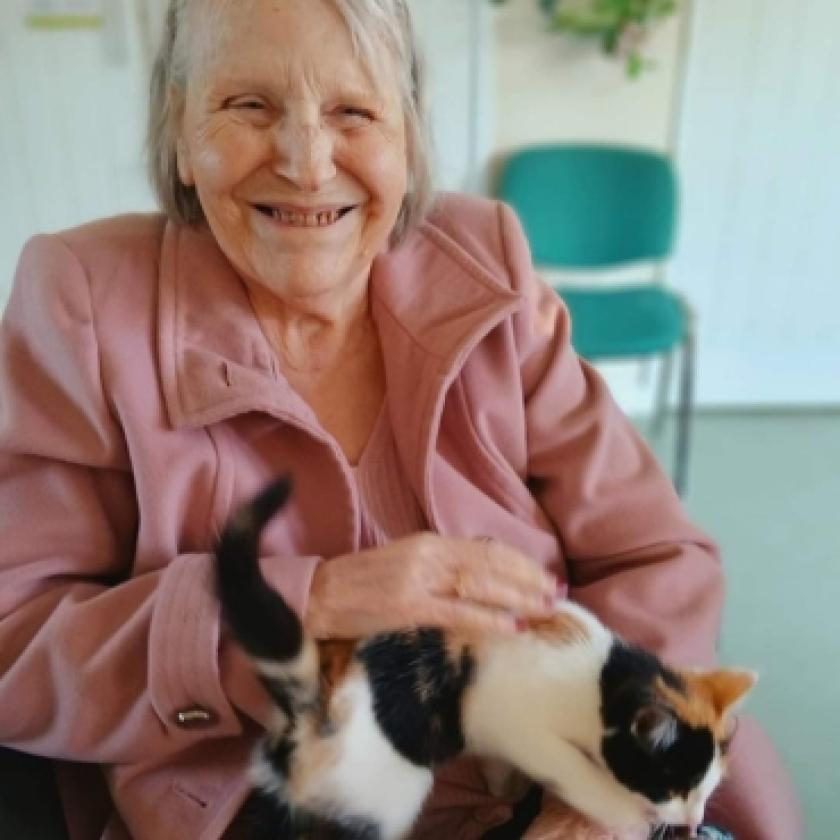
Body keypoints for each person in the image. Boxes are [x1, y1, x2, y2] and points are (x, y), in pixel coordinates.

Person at [0, 1, 802, 838]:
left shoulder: (486, 261)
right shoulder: (85, 301)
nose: (309, 164)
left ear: (408, 135)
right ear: (177, 130)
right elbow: (14, 644)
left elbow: (654, 553)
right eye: (249, 106)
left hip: (555, 780)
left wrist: (598, 803)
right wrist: (309, 603)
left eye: (354, 112)